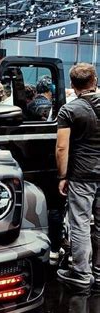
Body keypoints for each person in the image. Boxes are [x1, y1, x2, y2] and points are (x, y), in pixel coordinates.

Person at [56, 63, 100, 288]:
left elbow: (62, 148)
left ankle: (81, 274)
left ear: (73, 85)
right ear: (95, 80)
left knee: (80, 223)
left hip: (82, 174)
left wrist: (62, 176)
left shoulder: (69, 110)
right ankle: (99, 273)